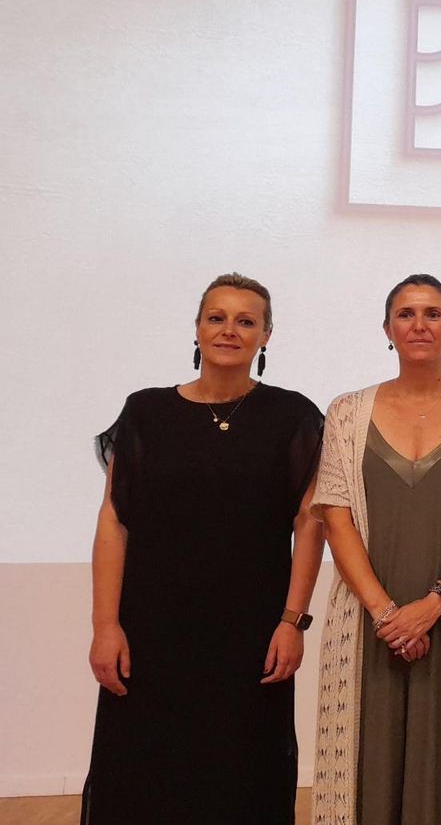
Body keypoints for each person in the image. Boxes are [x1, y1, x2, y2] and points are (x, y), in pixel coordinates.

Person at [84, 272, 324, 824]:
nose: (229, 331)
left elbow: (309, 525)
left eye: (246, 321)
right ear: (196, 328)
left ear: (266, 335)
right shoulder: (145, 412)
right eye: (217, 318)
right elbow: (113, 523)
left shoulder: (293, 417)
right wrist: (104, 626)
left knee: (242, 778)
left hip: (251, 638)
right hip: (151, 634)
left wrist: (293, 621)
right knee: (144, 776)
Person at [311, 275, 441, 825]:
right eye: (406, 313)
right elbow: (334, 513)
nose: (419, 324)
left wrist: (434, 604)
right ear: (387, 329)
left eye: (433, 313)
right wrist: (387, 614)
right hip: (365, 617)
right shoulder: (346, 412)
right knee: (363, 758)